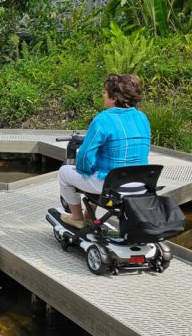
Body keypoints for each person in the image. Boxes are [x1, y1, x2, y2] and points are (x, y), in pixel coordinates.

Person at [58, 73, 151, 228]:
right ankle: (89, 216)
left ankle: (77, 218)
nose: (103, 94)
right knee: (95, 172)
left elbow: (86, 156)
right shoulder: (142, 117)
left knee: (65, 172)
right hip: (140, 184)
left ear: (114, 97)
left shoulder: (103, 119)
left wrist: (82, 170)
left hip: (112, 187)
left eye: (105, 92)